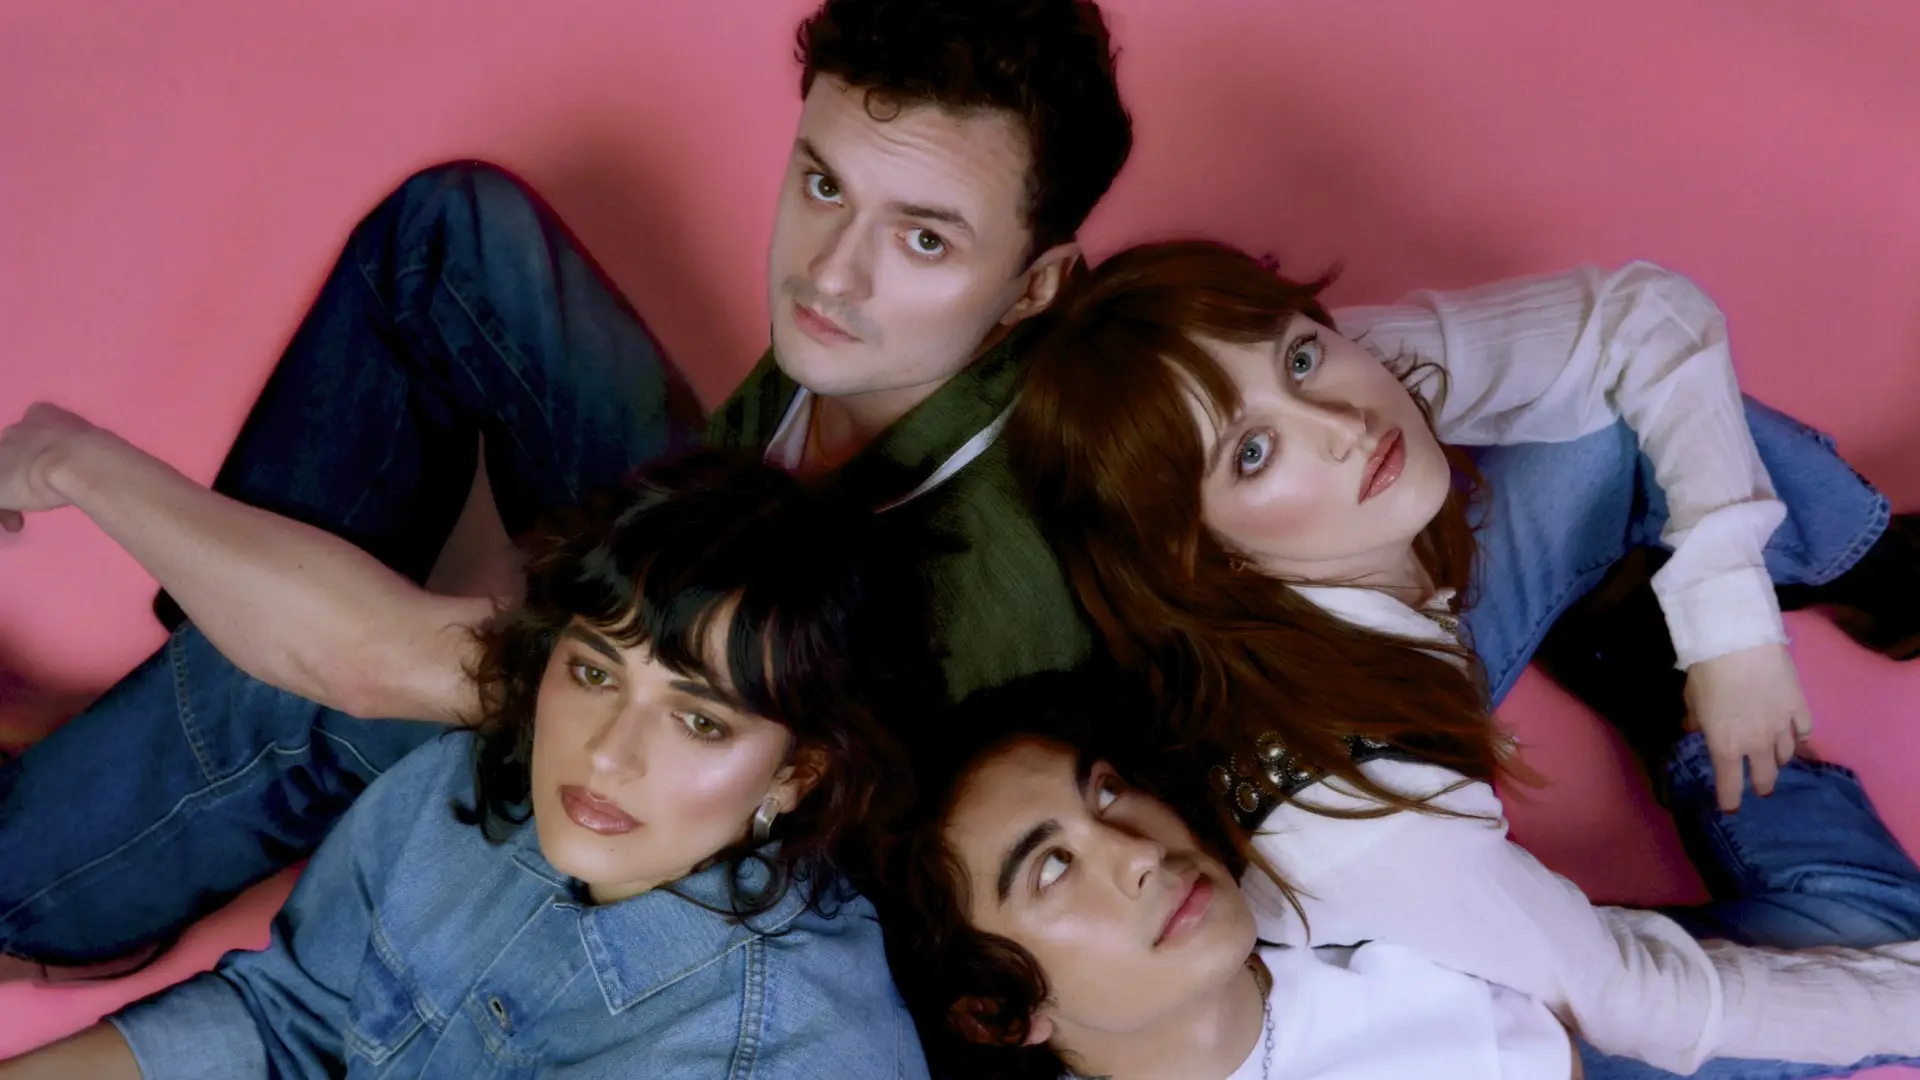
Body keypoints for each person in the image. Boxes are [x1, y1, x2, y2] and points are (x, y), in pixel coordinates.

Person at [0, 0, 1900, 979]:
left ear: (1037, 284)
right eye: (822, 184)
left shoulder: (985, 586)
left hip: (755, 757)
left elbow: (448, 674)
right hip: (730, 557)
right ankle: (176, 684)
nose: (831, 275)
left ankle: (54, 884)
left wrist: (98, 471)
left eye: (924, 239)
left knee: (319, 693)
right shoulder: (867, 341)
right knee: (459, 242)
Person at [1004, 239, 1920, 1077]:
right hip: (1460, 975)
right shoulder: (1359, 827)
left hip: (1385, 669)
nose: (1340, 424)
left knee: (1610, 430)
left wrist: (1731, 626)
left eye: (1300, 356)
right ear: (1202, 554)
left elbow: (1646, 319)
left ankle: (1879, 574)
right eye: (1251, 454)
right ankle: (1653, 683)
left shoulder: (1336, 386)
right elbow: (1634, 997)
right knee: (1877, 939)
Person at [0, 452, 935, 1080]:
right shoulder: (463, 792)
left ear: (796, 774)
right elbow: (283, 1022)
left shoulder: (778, 1056)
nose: (608, 752)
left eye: (698, 721)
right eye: (593, 672)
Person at [882, 676, 1920, 1080]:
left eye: (1108, 793)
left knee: (1877, 949)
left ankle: (1697, 717)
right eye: (1054, 866)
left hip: (1564, 1002)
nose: (1139, 850)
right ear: (998, 1013)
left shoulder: (1313, 877)